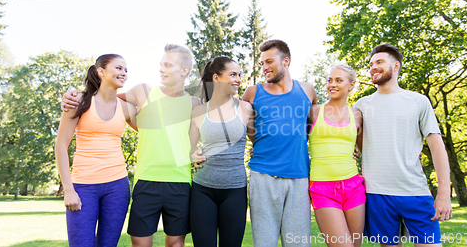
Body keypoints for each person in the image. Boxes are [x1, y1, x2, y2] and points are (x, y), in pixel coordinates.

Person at [61, 44, 202, 247]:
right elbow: (104, 100)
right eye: (161, 64)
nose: (161, 69)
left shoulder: (195, 103)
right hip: (144, 180)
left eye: (168, 65)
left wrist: (196, 152)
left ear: (184, 71)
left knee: (175, 243)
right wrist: (72, 96)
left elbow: (190, 140)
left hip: (175, 182)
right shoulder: (142, 91)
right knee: (138, 242)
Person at [353, 44, 452, 246]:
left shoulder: (418, 101)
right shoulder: (361, 105)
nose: (373, 67)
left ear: (396, 66)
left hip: (415, 192)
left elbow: (437, 148)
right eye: (371, 64)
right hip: (377, 194)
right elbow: (357, 143)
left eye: (379, 62)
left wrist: (444, 194)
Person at [55, 54, 137, 247]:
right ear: (101, 71)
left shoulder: (125, 108)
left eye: (126, 70)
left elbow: (155, 130)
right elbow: (60, 145)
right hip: (83, 186)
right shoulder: (79, 102)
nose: (123, 73)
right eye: (118, 68)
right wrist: (68, 189)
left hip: (117, 186)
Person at [242, 39, 317, 247]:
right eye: (262, 64)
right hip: (263, 176)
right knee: (264, 243)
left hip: (299, 178)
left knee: (298, 244)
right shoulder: (252, 92)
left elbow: (314, 129)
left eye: (269, 61)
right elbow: (245, 129)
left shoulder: (308, 91)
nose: (265, 67)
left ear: (286, 61)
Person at [189, 56, 254, 247]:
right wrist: (191, 157)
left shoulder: (245, 108)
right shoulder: (199, 111)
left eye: (239, 75)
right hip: (202, 190)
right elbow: (187, 148)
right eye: (232, 74)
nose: (238, 79)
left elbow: (259, 141)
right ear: (216, 78)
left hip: (235, 190)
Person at [308, 63, 365, 247]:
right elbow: (294, 141)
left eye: (339, 80)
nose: (332, 84)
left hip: (353, 186)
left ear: (351, 85)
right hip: (322, 188)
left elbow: (366, 150)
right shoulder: (314, 111)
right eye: (330, 80)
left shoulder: (357, 115)